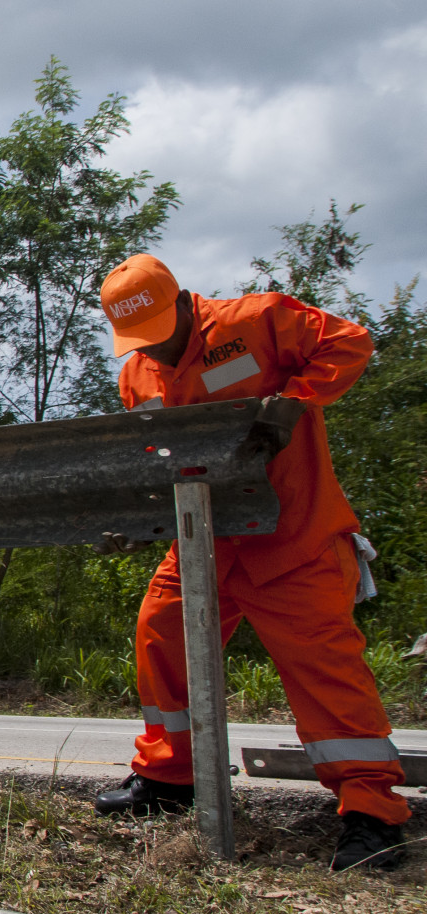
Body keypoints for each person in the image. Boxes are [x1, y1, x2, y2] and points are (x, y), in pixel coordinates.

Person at [92, 253, 412, 871]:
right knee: (161, 634)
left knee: (324, 671)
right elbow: (154, 461)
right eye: (140, 339)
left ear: (183, 302)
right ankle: (169, 779)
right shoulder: (137, 374)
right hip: (203, 543)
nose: (154, 348)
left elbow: (349, 341)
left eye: (160, 332)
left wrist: (291, 403)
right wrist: (137, 517)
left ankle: (371, 810)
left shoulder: (257, 322)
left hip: (293, 540)